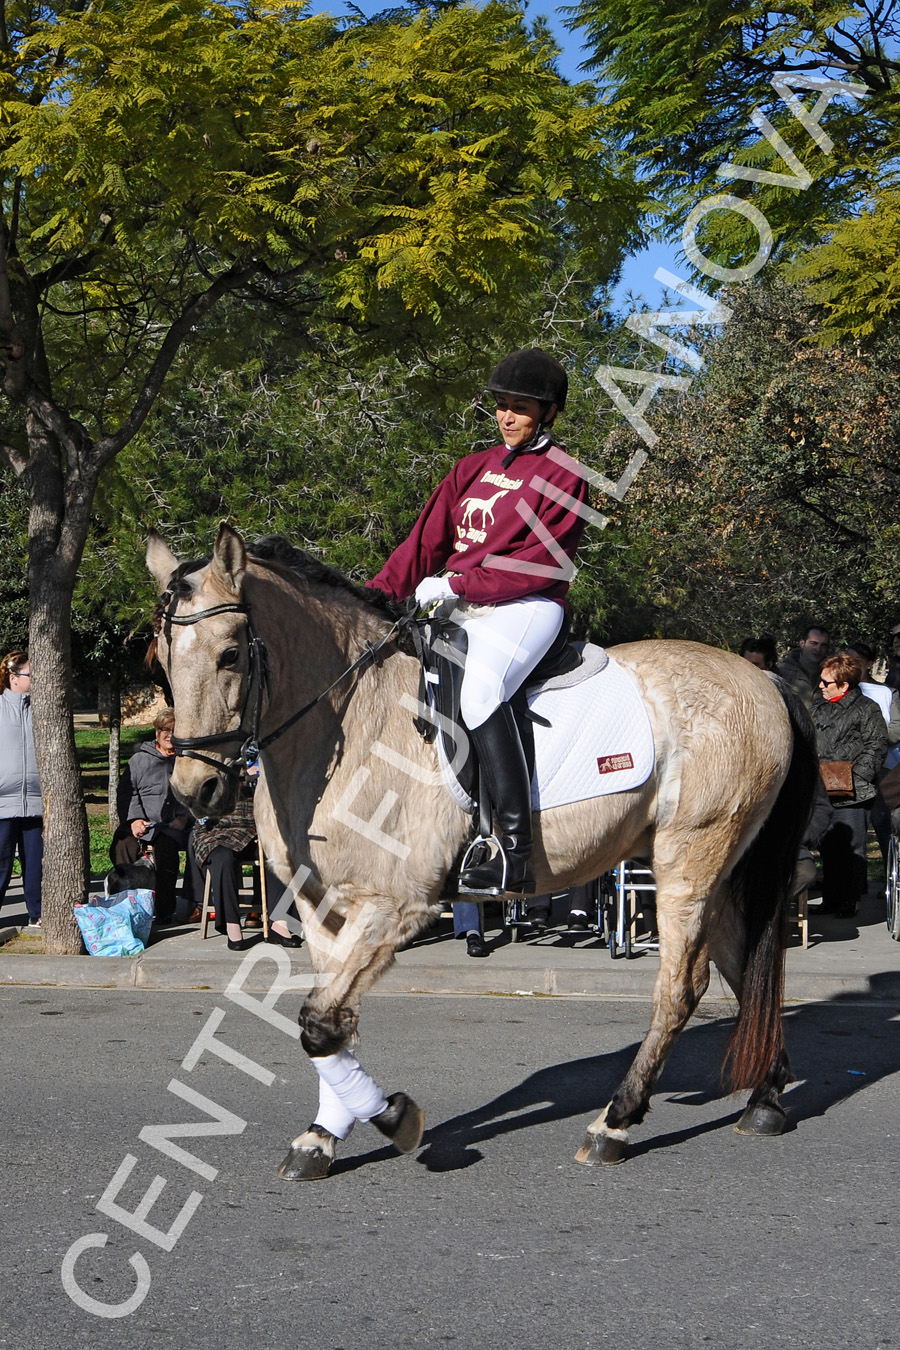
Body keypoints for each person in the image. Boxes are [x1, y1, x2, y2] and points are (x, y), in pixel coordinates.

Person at [368, 348, 588, 897]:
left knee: (482, 692)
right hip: (463, 600)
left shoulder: (566, 475)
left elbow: (539, 562)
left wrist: (458, 584)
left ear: (549, 413)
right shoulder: (472, 468)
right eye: (502, 407)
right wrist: (372, 597)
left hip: (528, 603)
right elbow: (424, 542)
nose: (507, 417)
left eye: (520, 408)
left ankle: (516, 853)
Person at [809, 652, 888, 917]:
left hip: (852, 791)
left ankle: (849, 900)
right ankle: (830, 898)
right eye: (820, 680)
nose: (820, 685)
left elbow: (876, 746)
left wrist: (854, 777)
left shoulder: (867, 709)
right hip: (820, 789)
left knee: (851, 847)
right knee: (828, 845)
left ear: (844, 685)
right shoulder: (817, 706)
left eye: (826, 682)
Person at [189, 786, 303, 952]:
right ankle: (232, 923)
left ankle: (279, 922)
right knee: (223, 859)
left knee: (277, 853)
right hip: (217, 830)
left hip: (254, 827)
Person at [111, 707, 194, 924]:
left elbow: (194, 794)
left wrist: (185, 816)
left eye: (174, 730)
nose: (169, 734)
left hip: (171, 826)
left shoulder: (187, 760)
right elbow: (127, 793)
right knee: (123, 845)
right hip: (141, 823)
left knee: (166, 851)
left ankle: (164, 910)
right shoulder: (140, 760)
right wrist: (134, 821)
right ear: (156, 732)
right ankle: (126, 903)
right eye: (164, 729)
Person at [0, 651, 43, 931]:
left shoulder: (43, 709)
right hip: (2, 804)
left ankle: (37, 912)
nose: (37, 680)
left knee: (35, 863)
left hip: (37, 803)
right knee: (1, 864)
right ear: (14, 678)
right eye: (31, 675)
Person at [845, 641, 900, 859]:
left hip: (884, 769)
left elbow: (896, 729)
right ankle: (854, 882)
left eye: (857, 662)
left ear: (868, 664)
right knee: (851, 827)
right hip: (849, 770)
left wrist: (869, 742)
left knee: (884, 823)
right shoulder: (835, 691)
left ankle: (889, 876)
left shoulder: (887, 692)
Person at [776, 625, 830, 708]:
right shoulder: (783, 672)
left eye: (823, 645)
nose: (818, 649)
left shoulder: (832, 675)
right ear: (802, 643)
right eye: (813, 643)